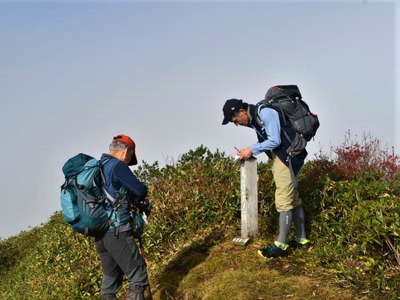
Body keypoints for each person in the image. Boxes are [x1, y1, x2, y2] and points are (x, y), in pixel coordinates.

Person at [222, 98, 310, 258]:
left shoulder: (265, 112)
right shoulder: (255, 119)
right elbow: (269, 139)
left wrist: (252, 149)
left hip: (286, 157)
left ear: (241, 111)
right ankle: (302, 239)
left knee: (283, 200)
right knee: (293, 198)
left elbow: (275, 140)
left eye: (235, 120)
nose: (237, 124)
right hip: (283, 156)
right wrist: (254, 150)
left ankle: (281, 246)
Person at [96, 134, 149, 300]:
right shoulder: (117, 166)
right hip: (118, 231)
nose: (128, 161)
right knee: (138, 278)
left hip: (101, 235)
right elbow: (140, 190)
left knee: (109, 285)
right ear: (126, 150)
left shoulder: (97, 167)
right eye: (130, 157)